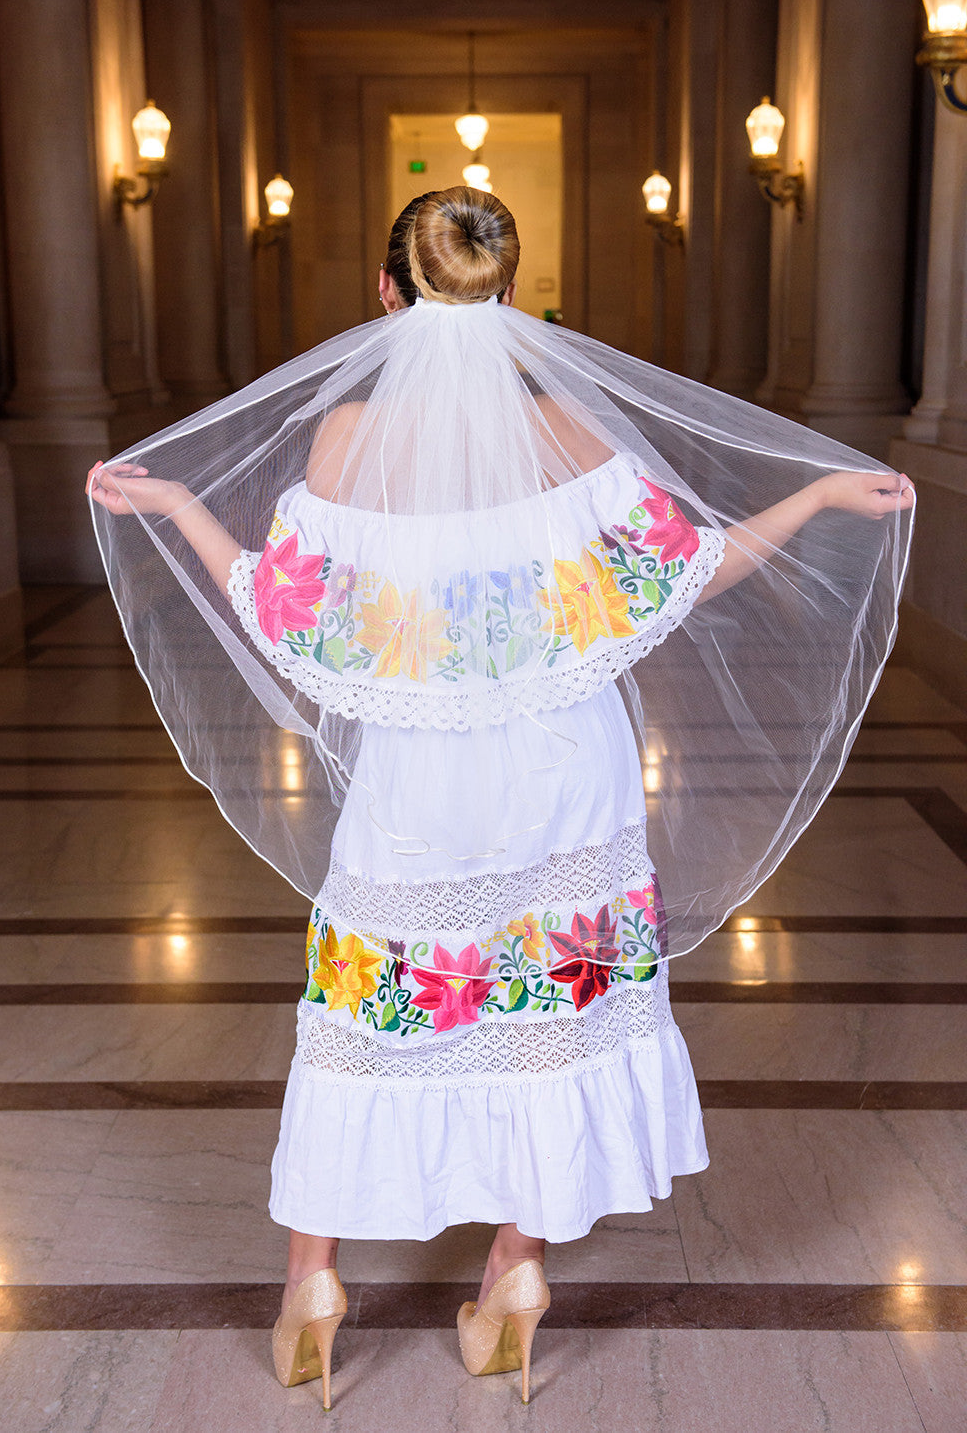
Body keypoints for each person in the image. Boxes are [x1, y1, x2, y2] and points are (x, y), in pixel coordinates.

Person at [87, 186, 914, 1408]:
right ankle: (515, 1275)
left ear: (387, 296)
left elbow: (287, 625)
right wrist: (813, 497)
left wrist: (180, 508)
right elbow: (689, 569)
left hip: (421, 785)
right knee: (555, 1020)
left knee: (366, 1015)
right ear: (511, 299)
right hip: (562, 781)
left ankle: (312, 1284)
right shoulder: (568, 431)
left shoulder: (346, 441)